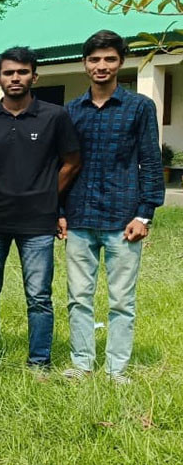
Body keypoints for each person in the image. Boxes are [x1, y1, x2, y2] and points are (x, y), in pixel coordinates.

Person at [63, 30, 166, 385]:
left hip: (124, 218)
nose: (101, 66)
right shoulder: (71, 111)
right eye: (94, 59)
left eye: (109, 59)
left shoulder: (139, 107)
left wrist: (145, 213)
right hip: (79, 216)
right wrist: (59, 211)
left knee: (122, 300)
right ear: (85, 64)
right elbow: (62, 164)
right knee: (78, 297)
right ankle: (81, 363)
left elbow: (151, 162)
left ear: (121, 62)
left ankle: (116, 369)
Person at [0, 47, 81, 375]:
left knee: (39, 296)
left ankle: (39, 363)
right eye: (8, 73)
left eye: (21, 72)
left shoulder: (54, 116)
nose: (15, 78)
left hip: (38, 221)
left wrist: (47, 194)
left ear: (35, 76)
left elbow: (72, 162)